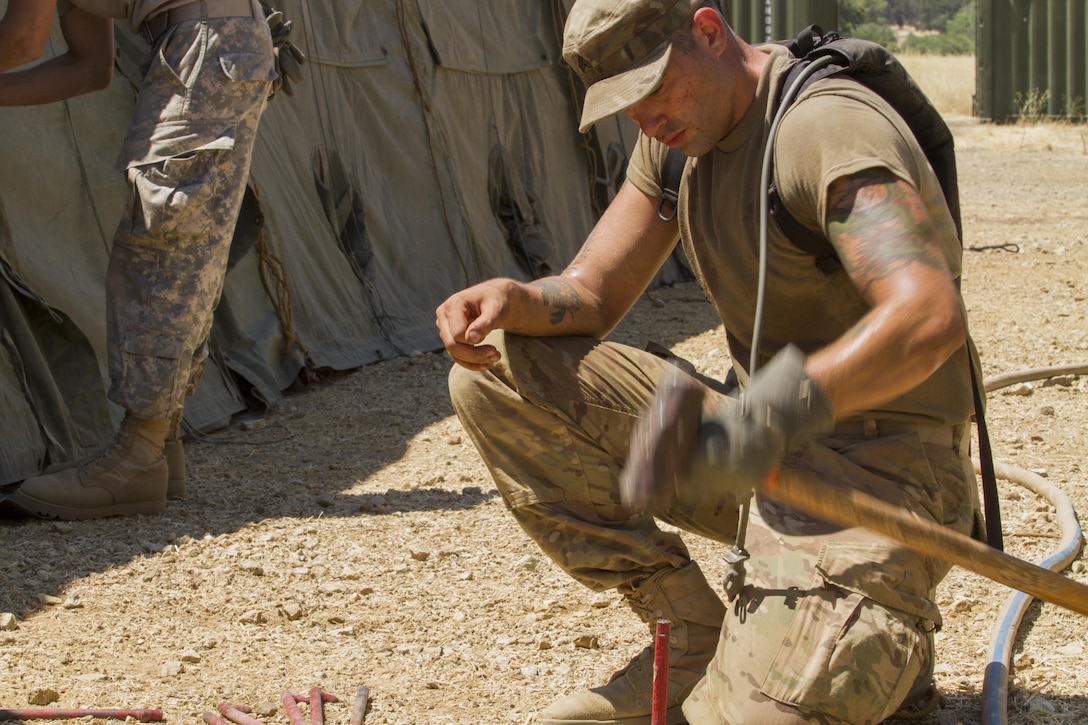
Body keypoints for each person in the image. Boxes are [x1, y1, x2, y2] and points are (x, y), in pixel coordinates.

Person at [435, 0, 981, 723]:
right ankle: (690, 631)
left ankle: (877, 617)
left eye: (654, 88)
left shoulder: (824, 128)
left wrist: (767, 416)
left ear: (708, 30)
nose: (647, 119)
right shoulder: (677, 140)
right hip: (760, 456)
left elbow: (927, 313)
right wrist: (518, 297)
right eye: (625, 104)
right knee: (502, 367)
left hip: (885, 479)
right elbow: (593, 292)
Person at [1, 0, 277, 519]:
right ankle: (158, 442)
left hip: (205, 41)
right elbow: (88, 67)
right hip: (208, 41)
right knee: (181, 240)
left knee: (162, 243)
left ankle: (138, 455)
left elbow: (22, 39)